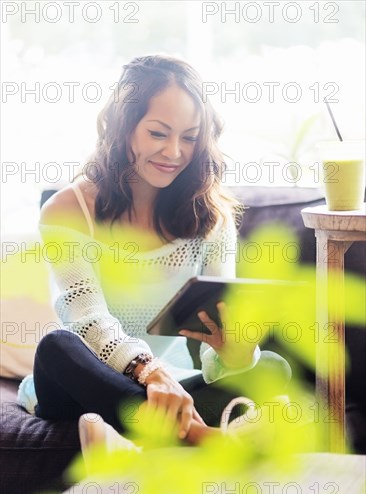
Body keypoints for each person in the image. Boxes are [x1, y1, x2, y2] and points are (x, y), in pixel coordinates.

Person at [18, 55, 291, 446]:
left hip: (173, 388)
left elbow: (214, 356)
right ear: (123, 127)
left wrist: (235, 351)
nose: (174, 152)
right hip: (87, 382)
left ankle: (138, 438)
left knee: (271, 366)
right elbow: (86, 319)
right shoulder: (67, 210)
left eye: (190, 137)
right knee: (57, 346)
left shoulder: (212, 219)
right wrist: (149, 371)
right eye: (159, 134)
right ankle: (197, 436)